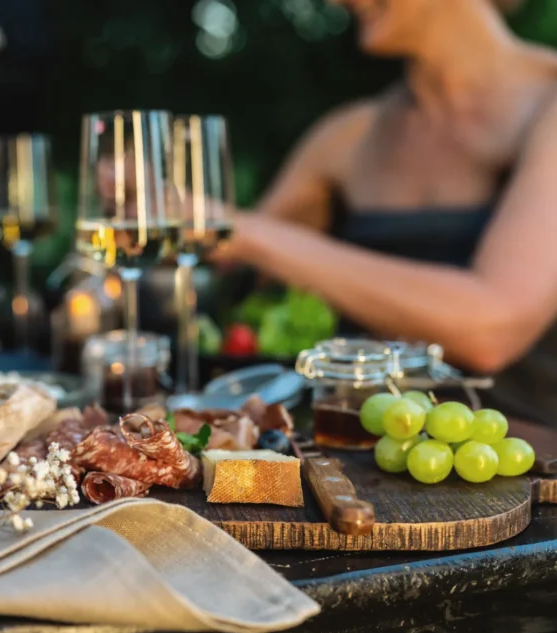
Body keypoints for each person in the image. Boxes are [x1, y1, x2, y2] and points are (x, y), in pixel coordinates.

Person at [219, 0, 557, 436]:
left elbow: (492, 328)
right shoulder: (347, 135)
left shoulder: (548, 104)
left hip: (530, 482)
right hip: (356, 466)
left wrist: (245, 232)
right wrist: (152, 203)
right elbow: (222, 262)